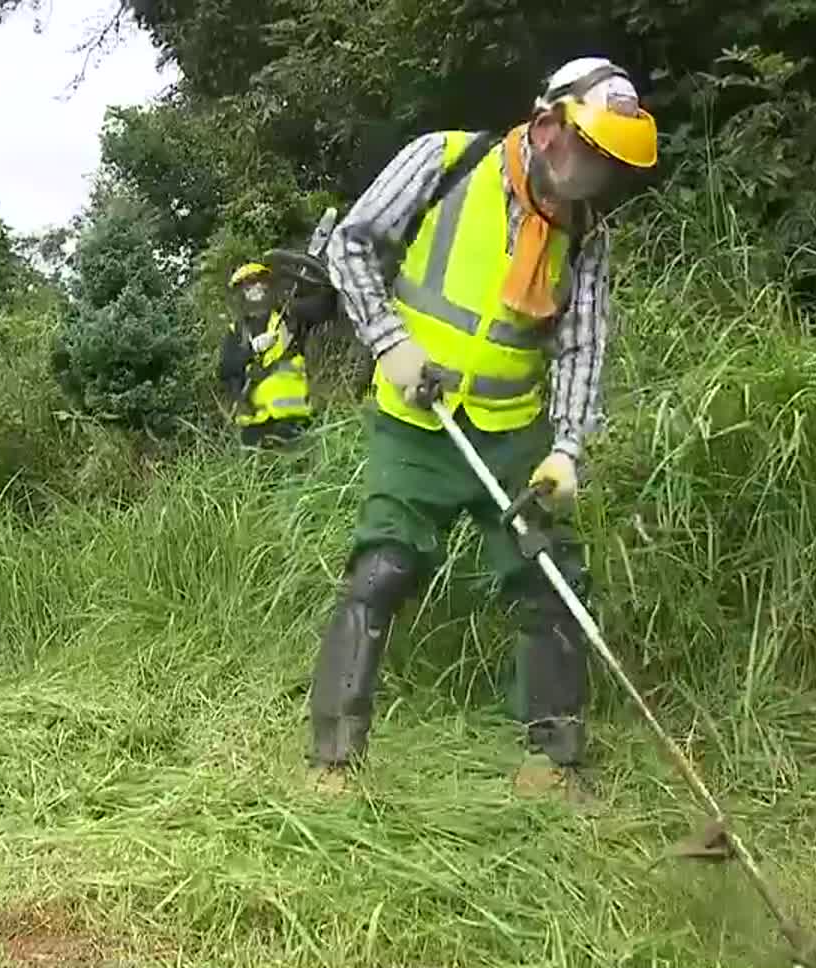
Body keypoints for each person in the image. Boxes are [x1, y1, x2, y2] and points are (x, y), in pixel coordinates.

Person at [306, 57, 658, 793]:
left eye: (608, 164)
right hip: (417, 421)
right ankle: (334, 761)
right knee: (383, 569)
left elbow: (581, 344)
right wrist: (389, 342)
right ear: (546, 125)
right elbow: (350, 244)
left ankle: (553, 761)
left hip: (512, 432)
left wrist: (567, 450)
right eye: (586, 150)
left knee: (551, 581)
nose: (592, 173)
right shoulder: (443, 161)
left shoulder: (584, 234)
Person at [219, 261, 315, 448]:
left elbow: (320, 308)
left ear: (268, 285)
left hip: (292, 418)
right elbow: (225, 369)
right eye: (247, 285)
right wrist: (251, 350)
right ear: (241, 294)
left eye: (258, 282)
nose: (254, 288)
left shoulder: (290, 317)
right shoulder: (236, 332)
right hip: (253, 426)